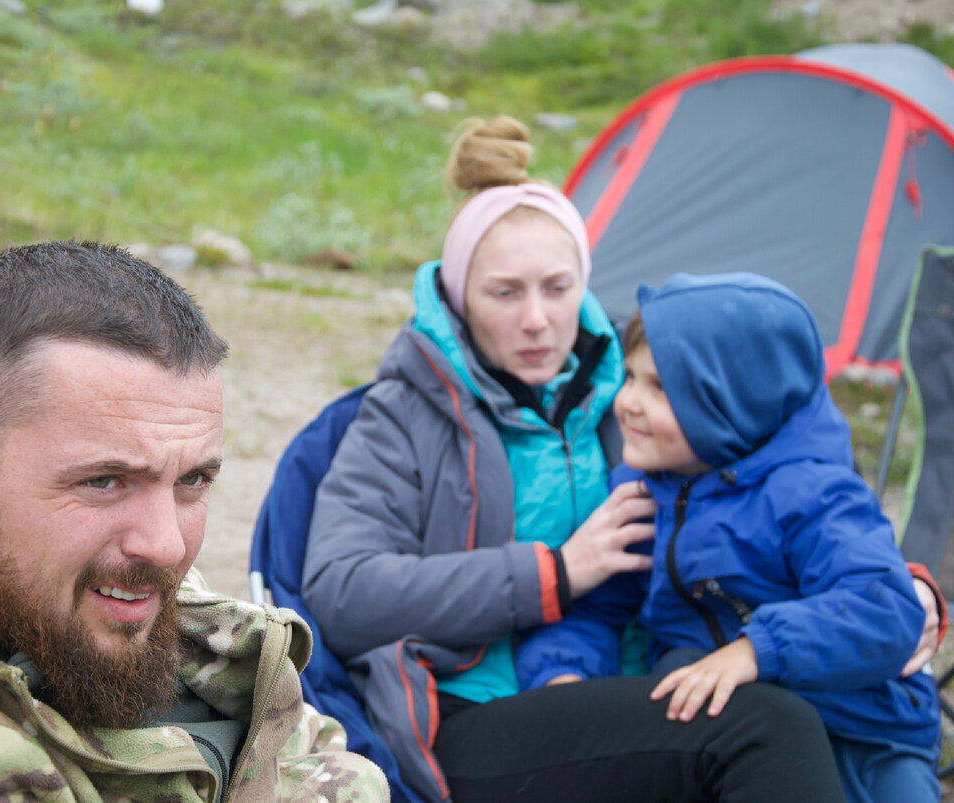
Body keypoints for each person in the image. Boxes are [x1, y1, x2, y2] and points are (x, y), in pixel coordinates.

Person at [301, 116, 858, 802]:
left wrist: (902, 582)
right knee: (764, 729)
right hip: (474, 713)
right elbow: (342, 591)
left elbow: (779, 477)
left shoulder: (637, 396)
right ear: (457, 299)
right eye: (505, 292)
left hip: (638, 683)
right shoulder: (404, 414)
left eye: (557, 288)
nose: (537, 318)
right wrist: (555, 571)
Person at [0, 241, 389, 802]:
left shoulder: (70, 576)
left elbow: (320, 749)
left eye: (193, 480)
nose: (167, 546)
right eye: (104, 481)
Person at [516, 272, 943, 803]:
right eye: (629, 377)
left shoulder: (812, 492)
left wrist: (755, 651)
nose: (627, 402)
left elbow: (884, 610)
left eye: (660, 388)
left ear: (733, 403)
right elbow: (594, 606)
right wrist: (563, 678)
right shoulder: (642, 492)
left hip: (863, 729)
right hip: (723, 724)